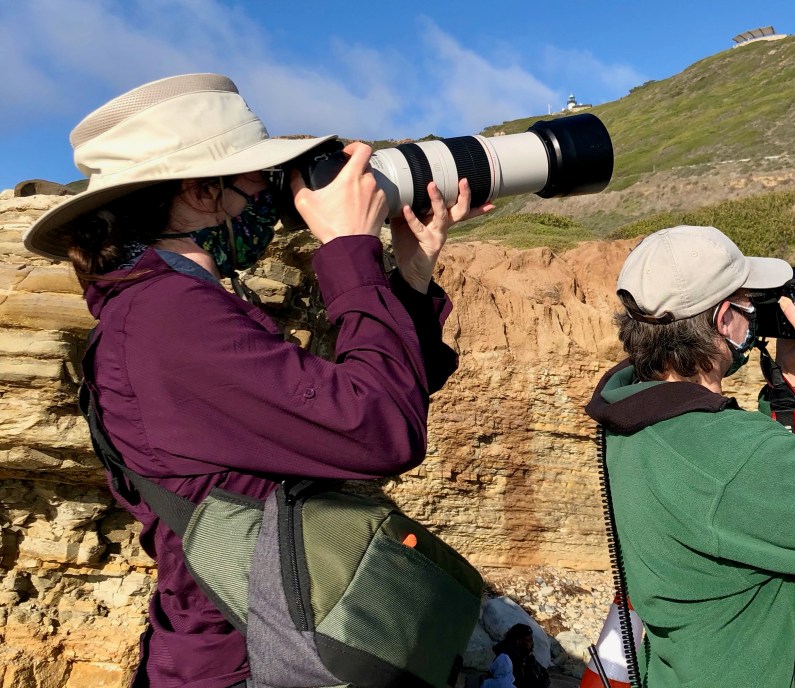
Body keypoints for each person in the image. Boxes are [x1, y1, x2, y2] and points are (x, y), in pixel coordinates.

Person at [23, 73, 491, 688]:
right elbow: (380, 431)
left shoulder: (167, 306)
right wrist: (349, 248)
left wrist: (409, 275)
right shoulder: (166, 318)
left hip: (256, 640)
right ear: (197, 189)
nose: (270, 200)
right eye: (257, 180)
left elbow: (375, 395)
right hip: (254, 660)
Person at [585, 225, 795, 688]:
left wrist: (790, 382)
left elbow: (779, 496)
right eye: (749, 302)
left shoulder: (641, 420)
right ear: (724, 319)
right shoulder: (723, 456)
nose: (756, 312)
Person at [491, 624, 550, 688]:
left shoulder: (524, 655)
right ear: (518, 641)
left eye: (531, 640)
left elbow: (542, 672)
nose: (532, 643)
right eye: (528, 640)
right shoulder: (506, 659)